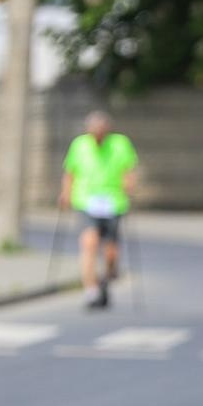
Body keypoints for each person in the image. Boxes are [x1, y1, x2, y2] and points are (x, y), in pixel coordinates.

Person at [59, 110, 138, 309]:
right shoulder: (80, 144)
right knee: (89, 243)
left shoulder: (120, 143)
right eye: (94, 133)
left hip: (113, 201)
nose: (98, 137)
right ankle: (91, 290)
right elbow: (70, 172)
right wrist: (66, 194)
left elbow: (128, 169)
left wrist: (129, 187)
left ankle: (106, 279)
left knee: (111, 252)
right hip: (86, 201)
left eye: (101, 133)